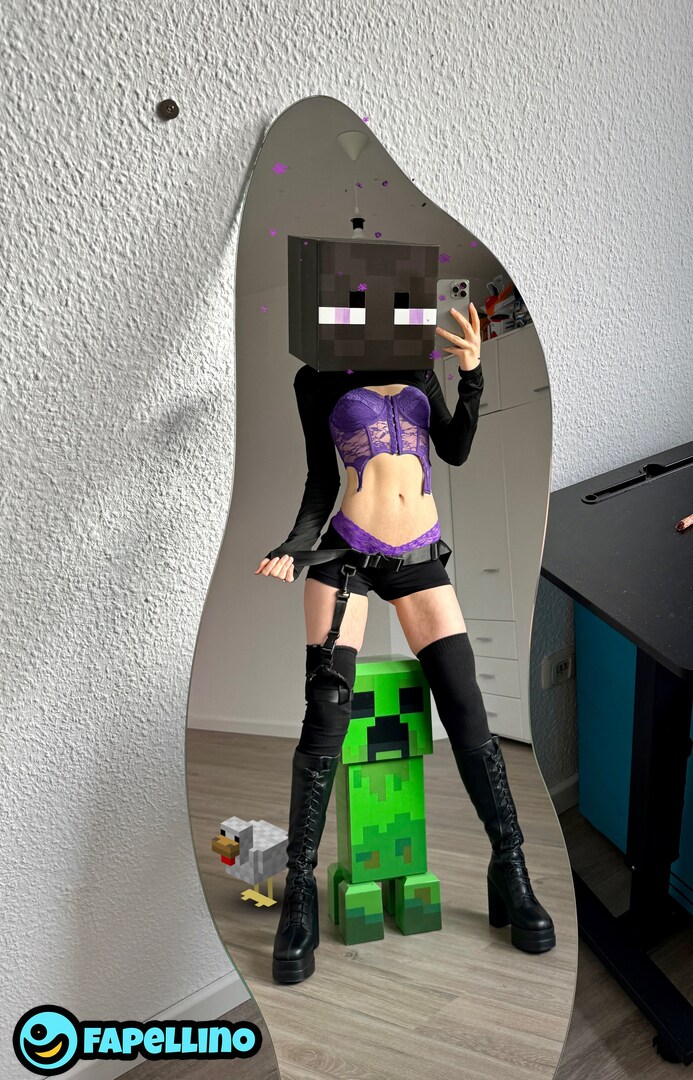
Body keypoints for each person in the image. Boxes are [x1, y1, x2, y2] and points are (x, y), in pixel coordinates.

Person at [255, 302, 555, 984]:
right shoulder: (317, 377)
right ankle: (297, 894)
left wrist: (472, 374)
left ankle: (509, 866)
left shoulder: (420, 369)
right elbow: (321, 478)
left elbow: (454, 449)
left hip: (419, 557)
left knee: (468, 713)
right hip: (348, 557)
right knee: (325, 718)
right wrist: (295, 545)